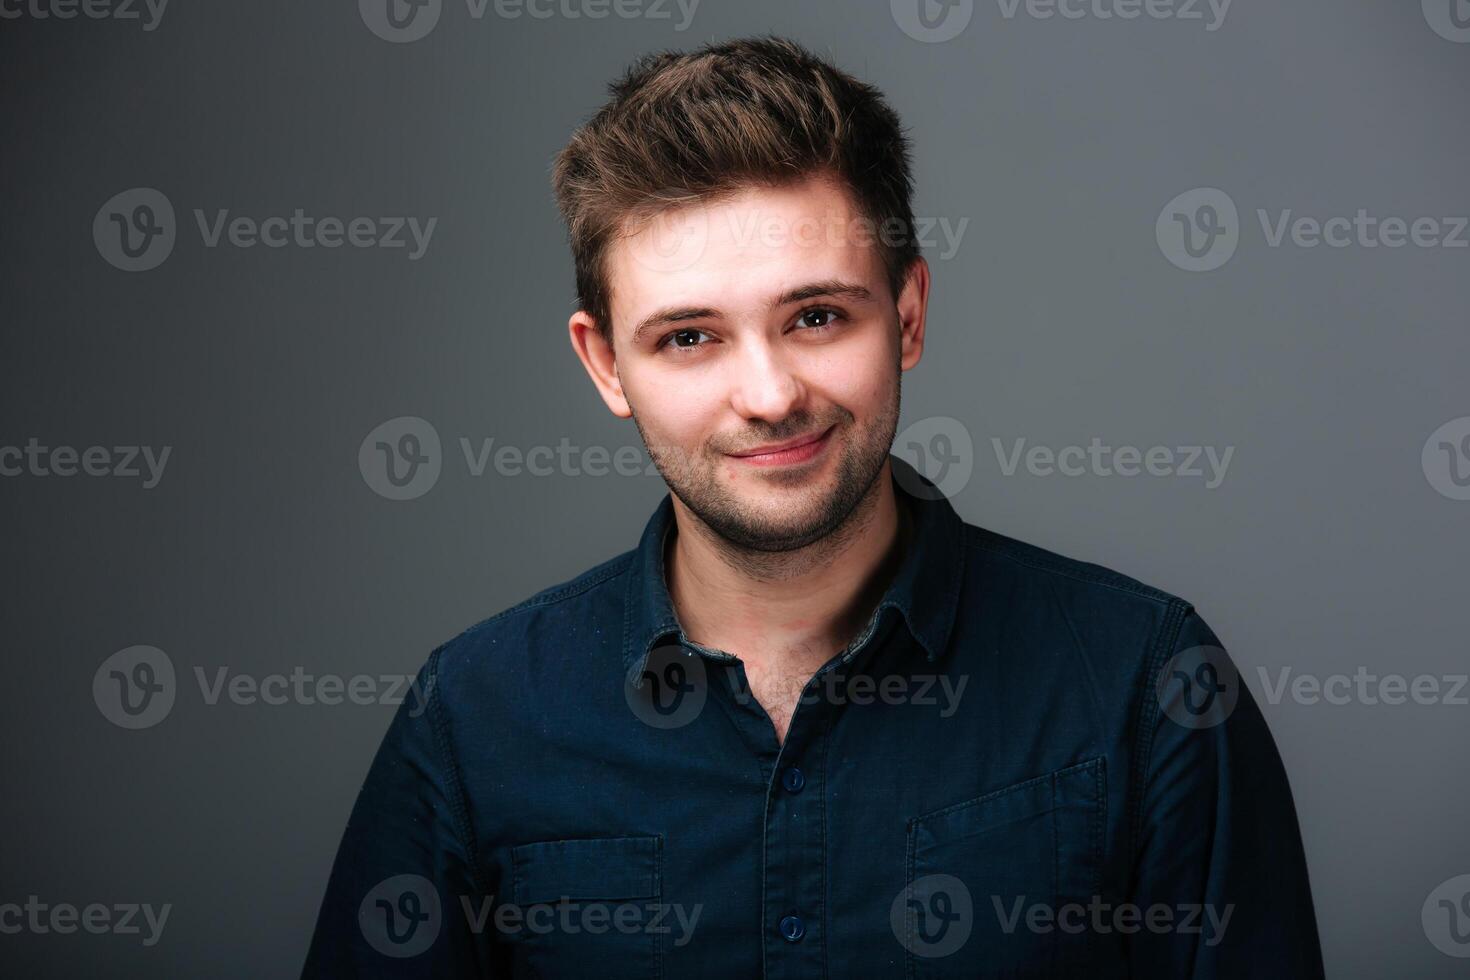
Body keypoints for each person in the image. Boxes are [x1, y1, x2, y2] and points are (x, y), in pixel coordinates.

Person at [303, 35, 1324, 978]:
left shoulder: (1148, 687)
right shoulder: (475, 718)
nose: (771, 393)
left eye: (818, 315)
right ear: (606, 363)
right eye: (689, 338)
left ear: (909, 314)